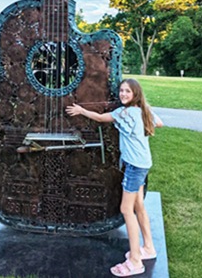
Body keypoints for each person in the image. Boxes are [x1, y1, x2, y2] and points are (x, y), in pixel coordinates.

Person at [67, 78, 164, 277]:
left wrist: (82, 111)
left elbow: (102, 118)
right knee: (138, 206)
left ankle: (136, 261)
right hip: (143, 164)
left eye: (127, 91)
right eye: (121, 91)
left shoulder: (124, 112)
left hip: (134, 167)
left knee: (126, 209)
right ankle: (149, 249)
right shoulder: (142, 111)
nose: (123, 94)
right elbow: (159, 123)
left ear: (135, 94)